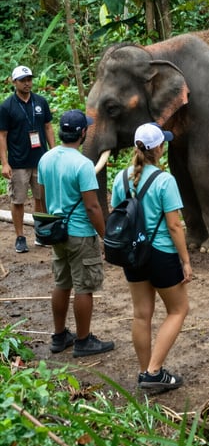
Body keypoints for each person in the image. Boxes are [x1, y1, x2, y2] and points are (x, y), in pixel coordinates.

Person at [111, 123, 192, 393]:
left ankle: (144, 370)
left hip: (133, 253)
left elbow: (118, 214)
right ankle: (154, 371)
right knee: (178, 310)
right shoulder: (165, 181)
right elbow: (174, 226)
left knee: (141, 314)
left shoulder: (120, 178)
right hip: (161, 253)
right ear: (159, 148)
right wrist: (186, 260)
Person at [37, 110, 115, 357]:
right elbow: (92, 206)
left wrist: (47, 224)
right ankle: (83, 340)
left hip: (56, 232)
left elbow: (41, 198)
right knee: (84, 287)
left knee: (62, 283)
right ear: (82, 133)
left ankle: (59, 336)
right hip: (80, 233)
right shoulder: (83, 164)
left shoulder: (46, 159)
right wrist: (105, 236)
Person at [0, 65, 55, 253]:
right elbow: (2, 135)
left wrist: (54, 153)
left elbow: (48, 127)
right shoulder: (7, 106)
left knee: (41, 198)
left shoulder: (41, 102)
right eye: (22, 80)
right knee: (18, 200)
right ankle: (20, 237)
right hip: (18, 162)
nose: (27, 83)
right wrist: (5, 163)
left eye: (29, 79)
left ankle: (41, 234)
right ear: (14, 82)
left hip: (41, 160)